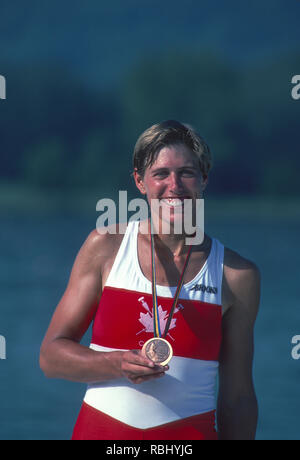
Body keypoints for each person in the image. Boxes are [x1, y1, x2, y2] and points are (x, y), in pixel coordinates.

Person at [40, 120, 260, 440]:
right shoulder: (106, 247)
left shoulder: (237, 276)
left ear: (204, 179)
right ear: (140, 182)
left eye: (186, 172)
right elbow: (51, 357)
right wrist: (118, 364)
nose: (175, 185)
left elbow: (238, 398)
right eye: (161, 174)